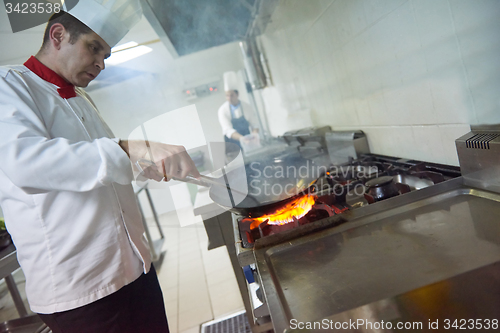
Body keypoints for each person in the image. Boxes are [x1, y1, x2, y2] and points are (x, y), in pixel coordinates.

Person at [0, 1, 199, 332]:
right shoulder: (10, 85)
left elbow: (98, 167)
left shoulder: (81, 99)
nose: (101, 64)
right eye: (94, 48)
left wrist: (141, 165)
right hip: (82, 291)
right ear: (58, 34)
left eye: (106, 55)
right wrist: (128, 150)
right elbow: (26, 163)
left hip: (136, 269)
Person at [217, 71, 259, 157]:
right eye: (227, 95)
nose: (229, 98)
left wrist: (254, 136)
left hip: (248, 144)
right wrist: (242, 138)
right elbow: (228, 130)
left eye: (231, 95)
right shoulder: (222, 110)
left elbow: (255, 125)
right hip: (233, 148)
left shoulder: (247, 107)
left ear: (237, 94)